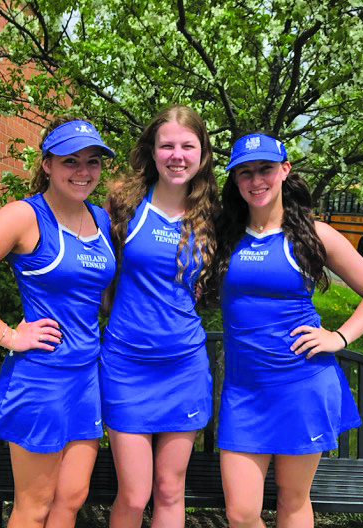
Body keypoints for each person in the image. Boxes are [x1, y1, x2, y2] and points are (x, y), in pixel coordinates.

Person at [0, 118, 116, 528]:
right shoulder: (24, 215)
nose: (83, 171)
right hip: (42, 380)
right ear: (48, 165)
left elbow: (95, 292)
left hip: (87, 376)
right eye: (71, 161)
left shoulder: (100, 220)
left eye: (93, 162)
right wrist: (9, 336)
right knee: (34, 508)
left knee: (71, 500)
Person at [214, 133, 363, 528]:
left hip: (301, 384)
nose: (256, 180)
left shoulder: (313, 234)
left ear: (284, 170)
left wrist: (339, 337)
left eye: (265, 169)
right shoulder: (225, 236)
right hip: (244, 391)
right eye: (245, 173)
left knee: (293, 501)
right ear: (235, 181)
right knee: (241, 513)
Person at [101, 105, 218, 528]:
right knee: (133, 494)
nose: (177, 155)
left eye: (188, 146)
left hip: (184, 368)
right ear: (152, 152)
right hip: (126, 366)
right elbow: (86, 262)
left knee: (170, 491)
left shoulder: (212, 215)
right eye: (166, 145)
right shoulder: (123, 204)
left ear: (202, 154)